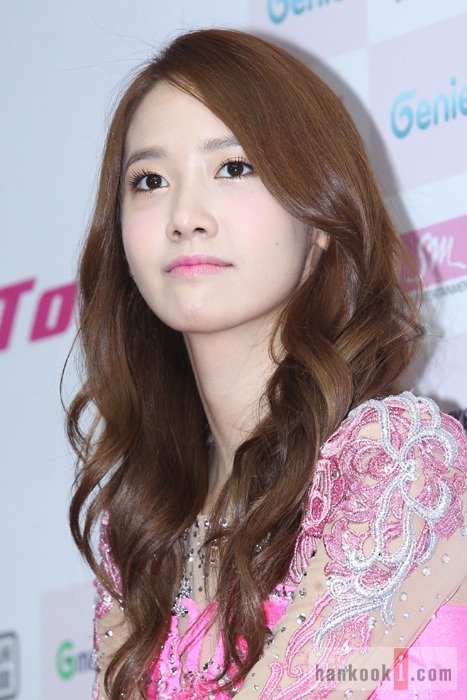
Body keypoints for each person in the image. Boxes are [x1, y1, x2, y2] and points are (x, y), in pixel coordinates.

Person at [65, 27, 467, 700]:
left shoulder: (396, 461)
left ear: (320, 218)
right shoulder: (137, 529)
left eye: (233, 168)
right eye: (150, 180)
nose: (184, 216)